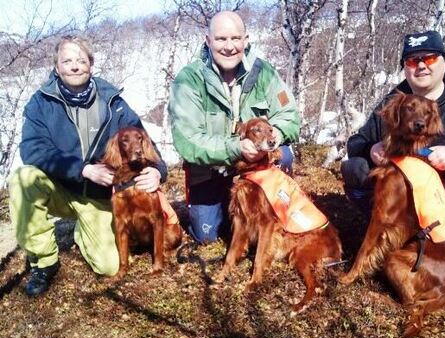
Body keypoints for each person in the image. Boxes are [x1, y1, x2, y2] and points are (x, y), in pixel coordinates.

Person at [8, 35, 167, 296]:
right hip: (60, 188)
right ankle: (44, 262)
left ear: (91, 65)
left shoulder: (112, 101)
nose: (74, 66)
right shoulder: (40, 102)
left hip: (99, 198)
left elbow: (144, 139)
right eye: (67, 61)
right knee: (23, 178)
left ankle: (85, 230)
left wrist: (158, 171)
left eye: (81, 60)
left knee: (108, 266)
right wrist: (82, 169)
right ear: (57, 67)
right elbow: (32, 149)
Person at [340, 30, 445, 283]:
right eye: (412, 61)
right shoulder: (395, 100)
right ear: (405, 67)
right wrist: (370, 149)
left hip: (442, 208)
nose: (421, 66)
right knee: (355, 167)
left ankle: (399, 243)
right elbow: (357, 141)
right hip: (396, 202)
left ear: (444, 62)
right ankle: (381, 229)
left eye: (428, 58)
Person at [169, 11, 300, 245]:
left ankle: (278, 218)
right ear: (208, 40)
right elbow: (187, 140)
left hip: (255, 166)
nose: (229, 47)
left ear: (245, 40)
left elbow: (288, 115)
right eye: (221, 39)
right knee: (207, 236)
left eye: (235, 39)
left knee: (284, 155)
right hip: (212, 169)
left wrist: (274, 136)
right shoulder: (189, 79)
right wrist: (236, 147)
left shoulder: (264, 73)